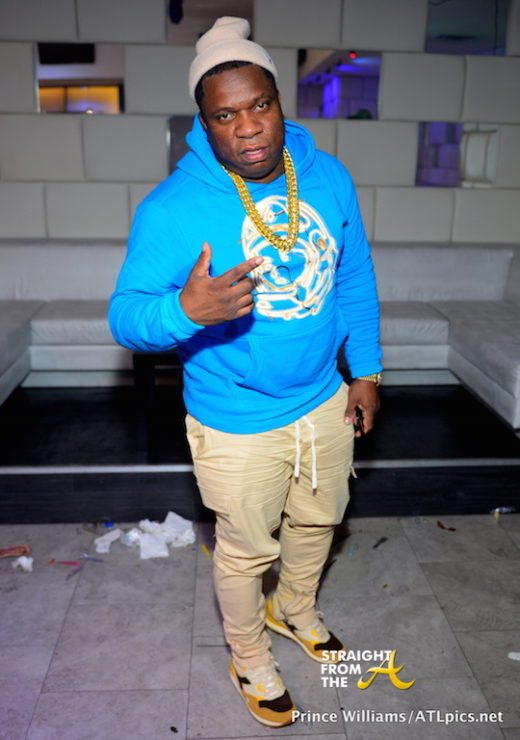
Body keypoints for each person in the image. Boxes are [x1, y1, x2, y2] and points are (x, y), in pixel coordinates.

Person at [109, 16, 382, 728]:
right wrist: (185, 311)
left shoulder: (327, 176)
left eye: (260, 104)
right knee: (244, 552)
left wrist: (367, 371)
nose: (249, 127)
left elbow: (354, 276)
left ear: (280, 101)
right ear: (203, 124)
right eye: (225, 115)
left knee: (320, 521)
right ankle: (249, 653)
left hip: (324, 397)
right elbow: (125, 317)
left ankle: (295, 609)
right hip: (234, 414)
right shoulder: (173, 208)